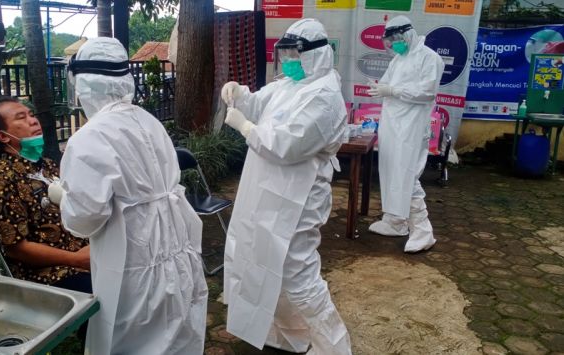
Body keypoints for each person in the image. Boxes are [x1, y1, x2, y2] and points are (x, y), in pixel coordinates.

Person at [58, 37, 208, 355]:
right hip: (175, 249)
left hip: (132, 266)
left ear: (84, 86)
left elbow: (85, 219)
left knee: (134, 343)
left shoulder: (88, 139)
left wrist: (64, 198)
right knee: (176, 336)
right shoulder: (149, 121)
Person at [220, 18, 351, 355]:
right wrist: (239, 93)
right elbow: (260, 102)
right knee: (262, 258)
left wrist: (246, 127)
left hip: (299, 196)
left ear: (315, 55)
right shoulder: (292, 85)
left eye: (295, 54)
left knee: (297, 273)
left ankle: (334, 347)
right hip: (266, 190)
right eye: (286, 53)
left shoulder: (324, 97)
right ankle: (286, 334)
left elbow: (285, 145)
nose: (289, 60)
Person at [0, 96, 91, 293]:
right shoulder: (0, 182)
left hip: (85, 255)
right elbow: (16, 248)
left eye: (31, 114)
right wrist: (76, 259)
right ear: (3, 136)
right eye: (21, 118)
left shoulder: (47, 165)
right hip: (50, 275)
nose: (33, 120)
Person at [367, 15, 444, 253]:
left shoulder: (429, 58)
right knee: (390, 172)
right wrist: (381, 88)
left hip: (411, 127)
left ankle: (422, 230)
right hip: (392, 124)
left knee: (406, 176)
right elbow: (388, 84)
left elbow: (427, 92)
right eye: (389, 41)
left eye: (396, 39)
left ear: (407, 35)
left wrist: (392, 90)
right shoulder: (399, 59)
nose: (393, 45)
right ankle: (396, 221)